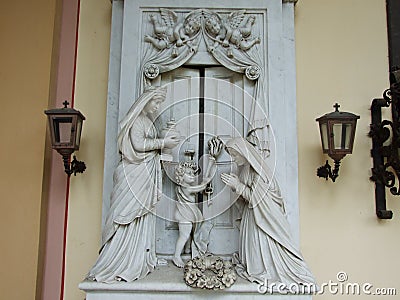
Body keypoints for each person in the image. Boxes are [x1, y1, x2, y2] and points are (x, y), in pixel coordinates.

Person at [87, 85, 179, 283]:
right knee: (124, 215)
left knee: (140, 216)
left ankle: (138, 257)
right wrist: (163, 142)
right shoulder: (137, 120)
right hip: (132, 174)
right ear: (145, 101)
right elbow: (138, 145)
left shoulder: (147, 121)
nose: (157, 107)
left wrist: (164, 135)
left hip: (142, 175)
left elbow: (151, 144)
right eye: (156, 102)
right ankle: (117, 260)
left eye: (159, 103)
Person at [221, 137, 316, 287]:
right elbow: (248, 198)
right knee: (252, 257)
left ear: (244, 153)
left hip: (262, 221)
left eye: (235, 155)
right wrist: (236, 186)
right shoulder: (245, 169)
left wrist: (237, 185)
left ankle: (266, 269)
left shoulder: (258, 173)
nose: (233, 159)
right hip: (252, 217)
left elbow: (258, 200)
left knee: (260, 256)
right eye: (232, 155)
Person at [172, 137, 223, 268]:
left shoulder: (183, 186)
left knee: (187, 234)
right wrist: (211, 166)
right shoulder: (187, 187)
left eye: (192, 173)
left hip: (187, 214)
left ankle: (188, 251)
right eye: (188, 173)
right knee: (184, 235)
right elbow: (201, 186)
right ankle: (176, 255)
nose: (192, 175)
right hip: (184, 215)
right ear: (180, 176)